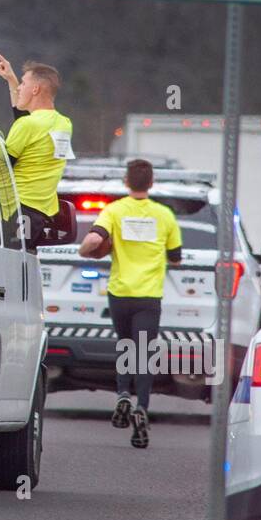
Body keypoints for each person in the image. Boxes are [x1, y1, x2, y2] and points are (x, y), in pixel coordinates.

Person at [77, 158, 182, 449]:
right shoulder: (164, 215)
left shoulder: (114, 210)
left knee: (126, 345)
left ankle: (123, 393)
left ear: (126, 182)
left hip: (120, 293)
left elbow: (91, 242)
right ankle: (142, 407)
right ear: (151, 183)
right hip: (148, 296)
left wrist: (88, 253)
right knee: (144, 352)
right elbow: (175, 256)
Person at [0, 52, 73, 251]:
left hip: (15, 211)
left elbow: (2, 169)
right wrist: (11, 80)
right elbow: (25, 122)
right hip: (40, 216)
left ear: (35, 89)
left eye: (23, 83)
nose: (19, 88)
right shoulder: (64, 124)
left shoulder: (28, 125)